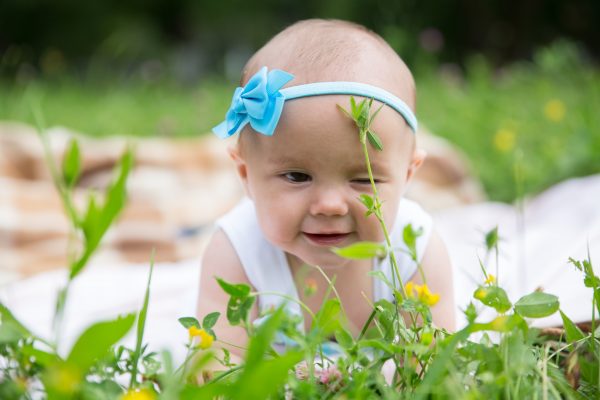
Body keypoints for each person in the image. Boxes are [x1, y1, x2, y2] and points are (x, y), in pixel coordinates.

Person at [197, 19, 455, 361]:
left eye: (364, 179)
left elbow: (433, 364)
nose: (330, 205)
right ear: (246, 175)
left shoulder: (415, 250)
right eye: (296, 176)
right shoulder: (237, 251)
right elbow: (219, 365)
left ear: (408, 175)